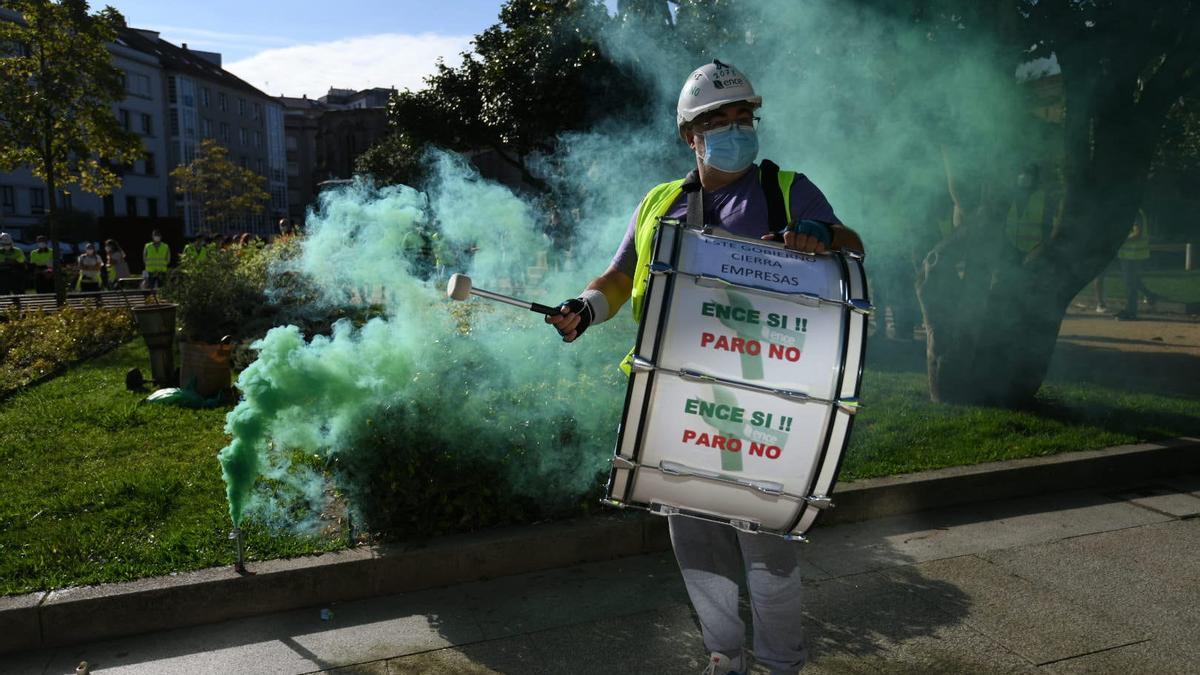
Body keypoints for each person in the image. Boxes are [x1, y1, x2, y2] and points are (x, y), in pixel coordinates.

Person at [546, 61, 863, 675]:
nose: (736, 129)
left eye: (744, 118)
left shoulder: (785, 188)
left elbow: (851, 243)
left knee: (767, 543)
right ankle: (726, 655)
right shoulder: (660, 202)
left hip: (764, 401)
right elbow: (617, 277)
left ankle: (779, 664)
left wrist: (818, 231)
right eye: (719, 120)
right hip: (677, 395)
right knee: (695, 539)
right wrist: (585, 307)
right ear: (690, 135)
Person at [1114, 208, 1159, 321]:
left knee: (1130, 283)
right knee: (1133, 280)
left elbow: (1137, 233)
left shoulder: (1134, 212)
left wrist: (1120, 239)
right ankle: (1150, 295)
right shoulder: (1133, 212)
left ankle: (1131, 311)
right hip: (1130, 253)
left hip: (1132, 254)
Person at [1005, 163, 1052, 255]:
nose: (1024, 177)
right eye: (1021, 173)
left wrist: (1039, 250)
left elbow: (1049, 229)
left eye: (1029, 173)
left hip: (1035, 254)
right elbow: (1002, 225)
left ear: (1035, 178)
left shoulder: (1044, 199)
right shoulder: (1010, 197)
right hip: (1010, 253)